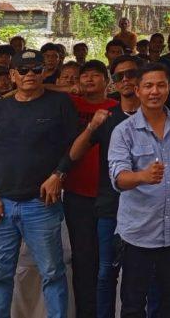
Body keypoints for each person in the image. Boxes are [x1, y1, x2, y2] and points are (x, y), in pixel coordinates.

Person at [0, 49, 77, 318]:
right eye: (23, 70)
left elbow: (75, 146)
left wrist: (59, 174)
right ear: (12, 75)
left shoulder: (60, 103)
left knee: (52, 272)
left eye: (36, 69)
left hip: (41, 205)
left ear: (44, 72)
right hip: (0, 205)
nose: (29, 74)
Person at [106, 62, 170, 318]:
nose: (154, 91)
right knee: (133, 302)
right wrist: (142, 176)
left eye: (161, 85)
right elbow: (118, 178)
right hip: (138, 231)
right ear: (137, 90)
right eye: (148, 86)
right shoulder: (123, 131)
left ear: (169, 88)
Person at [68, 56, 147, 318]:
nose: (126, 80)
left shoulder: (158, 116)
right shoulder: (108, 117)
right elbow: (74, 154)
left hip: (145, 207)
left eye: (131, 74)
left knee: (143, 272)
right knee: (105, 271)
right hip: (108, 204)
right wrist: (92, 126)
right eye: (119, 76)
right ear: (114, 82)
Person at [64, 61, 119, 318]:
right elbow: (38, 88)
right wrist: (68, 88)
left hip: (111, 195)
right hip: (77, 194)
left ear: (107, 81)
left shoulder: (117, 108)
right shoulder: (69, 105)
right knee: (83, 258)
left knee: (109, 261)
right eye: (84, 76)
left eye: (95, 75)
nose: (88, 80)